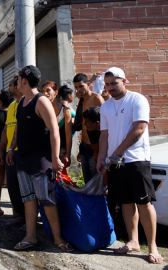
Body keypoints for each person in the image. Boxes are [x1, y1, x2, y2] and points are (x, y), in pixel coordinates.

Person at [96, 67, 163, 264]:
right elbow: (104, 135)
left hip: (136, 159)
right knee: (125, 202)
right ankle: (133, 240)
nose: (110, 88)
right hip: (115, 163)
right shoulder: (106, 106)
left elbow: (139, 128)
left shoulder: (137, 100)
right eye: (107, 84)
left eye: (114, 83)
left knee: (144, 202)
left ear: (125, 81)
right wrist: (102, 157)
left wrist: (117, 153)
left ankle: (152, 246)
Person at [7, 65, 71, 252]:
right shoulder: (21, 103)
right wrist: (11, 148)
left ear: (25, 81)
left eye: (18, 79)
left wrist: (55, 157)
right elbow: (19, 129)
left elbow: (54, 131)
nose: (17, 83)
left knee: (47, 200)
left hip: (41, 160)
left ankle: (58, 239)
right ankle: (30, 237)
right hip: (23, 159)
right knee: (28, 199)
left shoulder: (41, 101)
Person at [0, 76, 24, 217]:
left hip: (22, 153)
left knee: (24, 190)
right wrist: (2, 150)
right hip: (10, 152)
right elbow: (6, 129)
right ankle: (17, 217)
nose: (9, 89)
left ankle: (27, 221)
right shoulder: (13, 105)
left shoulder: (27, 103)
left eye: (11, 86)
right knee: (13, 188)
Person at [73, 73, 104, 183]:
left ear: (88, 84)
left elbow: (104, 125)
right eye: (76, 87)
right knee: (87, 182)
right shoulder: (81, 102)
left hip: (95, 147)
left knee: (96, 182)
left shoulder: (96, 98)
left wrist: (99, 151)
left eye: (81, 86)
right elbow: (82, 125)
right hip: (84, 146)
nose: (78, 90)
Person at [42, 82, 75, 168]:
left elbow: (68, 135)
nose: (45, 93)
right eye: (43, 91)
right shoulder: (42, 110)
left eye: (48, 90)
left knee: (60, 178)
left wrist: (67, 154)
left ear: (56, 92)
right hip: (46, 151)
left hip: (61, 152)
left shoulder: (65, 111)